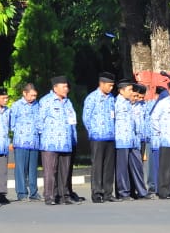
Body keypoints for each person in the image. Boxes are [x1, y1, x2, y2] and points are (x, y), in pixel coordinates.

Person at [37, 75, 78, 205]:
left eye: (67, 86)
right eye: (64, 86)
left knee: (64, 172)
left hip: (66, 142)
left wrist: (73, 138)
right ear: (55, 88)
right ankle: (50, 196)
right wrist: (44, 136)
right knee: (50, 172)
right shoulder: (46, 101)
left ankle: (64, 195)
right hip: (50, 142)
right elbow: (39, 121)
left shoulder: (68, 102)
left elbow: (73, 122)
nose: (67, 89)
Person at [83, 71, 116, 203]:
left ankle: (108, 193)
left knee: (109, 166)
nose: (111, 88)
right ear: (101, 84)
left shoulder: (112, 99)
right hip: (97, 137)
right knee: (97, 166)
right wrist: (92, 131)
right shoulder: (92, 98)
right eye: (109, 85)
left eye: (112, 85)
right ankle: (97, 192)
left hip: (110, 136)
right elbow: (86, 117)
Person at [114, 80, 148, 200]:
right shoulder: (116, 103)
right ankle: (124, 192)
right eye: (129, 90)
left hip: (133, 139)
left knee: (138, 166)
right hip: (122, 139)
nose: (131, 92)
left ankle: (142, 191)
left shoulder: (128, 103)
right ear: (121, 91)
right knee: (122, 168)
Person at [10, 83, 41, 201]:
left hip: (34, 141)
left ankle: (34, 192)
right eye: (32, 95)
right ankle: (22, 193)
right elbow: (12, 124)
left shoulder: (37, 105)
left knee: (33, 169)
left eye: (35, 96)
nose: (34, 98)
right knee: (21, 169)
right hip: (21, 141)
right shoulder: (16, 105)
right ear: (24, 93)